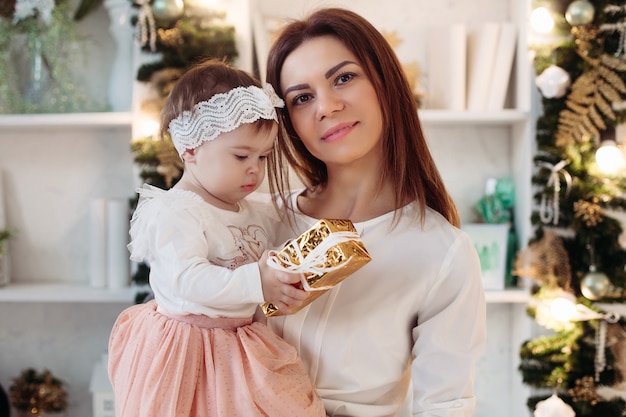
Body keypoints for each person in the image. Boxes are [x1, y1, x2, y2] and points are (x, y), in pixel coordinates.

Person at [262, 8, 487, 417]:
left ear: (385, 82)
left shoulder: (442, 251)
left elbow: (446, 405)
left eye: (343, 78)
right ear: (289, 121)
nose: (326, 107)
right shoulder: (258, 220)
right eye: (302, 97)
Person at [107, 59, 326, 417]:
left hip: (239, 343)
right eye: (241, 155)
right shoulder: (176, 211)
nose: (255, 168)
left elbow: (280, 233)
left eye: (263, 156)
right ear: (190, 149)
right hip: (189, 347)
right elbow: (186, 279)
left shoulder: (249, 208)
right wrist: (257, 281)